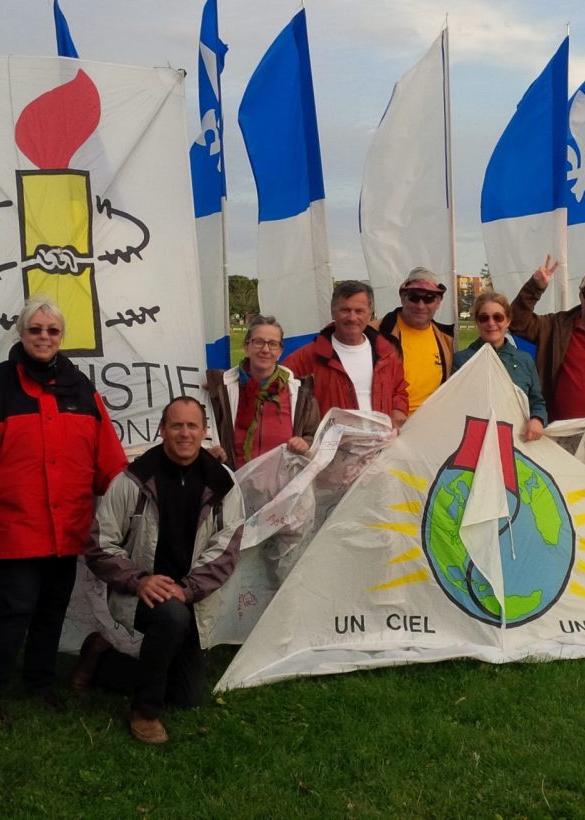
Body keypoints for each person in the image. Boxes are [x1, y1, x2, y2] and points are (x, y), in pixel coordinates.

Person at [0, 296, 127, 729]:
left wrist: (128, 496)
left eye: (52, 331)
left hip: (68, 523)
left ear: (62, 337)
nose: (44, 337)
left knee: (53, 608)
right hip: (15, 522)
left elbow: (107, 455)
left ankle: (39, 684)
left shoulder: (80, 387)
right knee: (16, 607)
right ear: (21, 334)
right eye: (35, 329)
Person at [77, 397, 244, 744]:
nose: (185, 433)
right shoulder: (133, 480)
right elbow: (99, 544)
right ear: (162, 430)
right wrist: (139, 580)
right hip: (139, 591)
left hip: (192, 596)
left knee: (186, 695)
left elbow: (226, 550)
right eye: (176, 425)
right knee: (171, 617)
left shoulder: (223, 483)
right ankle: (145, 711)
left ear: (204, 431)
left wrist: (187, 589)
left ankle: (102, 657)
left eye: (192, 425)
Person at [509, 256, 585, 422]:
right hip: (557, 432)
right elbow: (516, 323)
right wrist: (534, 288)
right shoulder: (555, 326)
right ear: (580, 296)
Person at [283, 280, 409, 427]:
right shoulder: (307, 357)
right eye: (345, 310)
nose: (352, 318)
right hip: (332, 448)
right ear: (332, 312)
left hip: (381, 445)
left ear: (370, 314)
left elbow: (399, 390)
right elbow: (279, 395)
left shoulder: (387, 354)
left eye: (359, 311)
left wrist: (398, 410)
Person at [209, 315, 315, 468]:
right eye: (258, 342)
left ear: (280, 351)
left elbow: (315, 436)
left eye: (272, 344)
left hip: (284, 487)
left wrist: (306, 443)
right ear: (246, 347)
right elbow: (206, 434)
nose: (265, 350)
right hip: (236, 485)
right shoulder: (221, 390)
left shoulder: (300, 394)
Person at [453, 291, 546, 441]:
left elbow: (537, 401)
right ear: (477, 322)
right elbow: (453, 405)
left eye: (498, 317)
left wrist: (537, 419)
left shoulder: (525, 360)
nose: (491, 323)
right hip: (475, 439)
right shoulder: (462, 360)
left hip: (517, 439)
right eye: (484, 318)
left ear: (508, 321)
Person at [376, 267, 455, 414]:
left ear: (438, 302)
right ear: (403, 297)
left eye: (429, 298)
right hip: (391, 425)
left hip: (431, 425)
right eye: (414, 297)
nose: (420, 305)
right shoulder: (375, 332)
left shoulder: (446, 339)